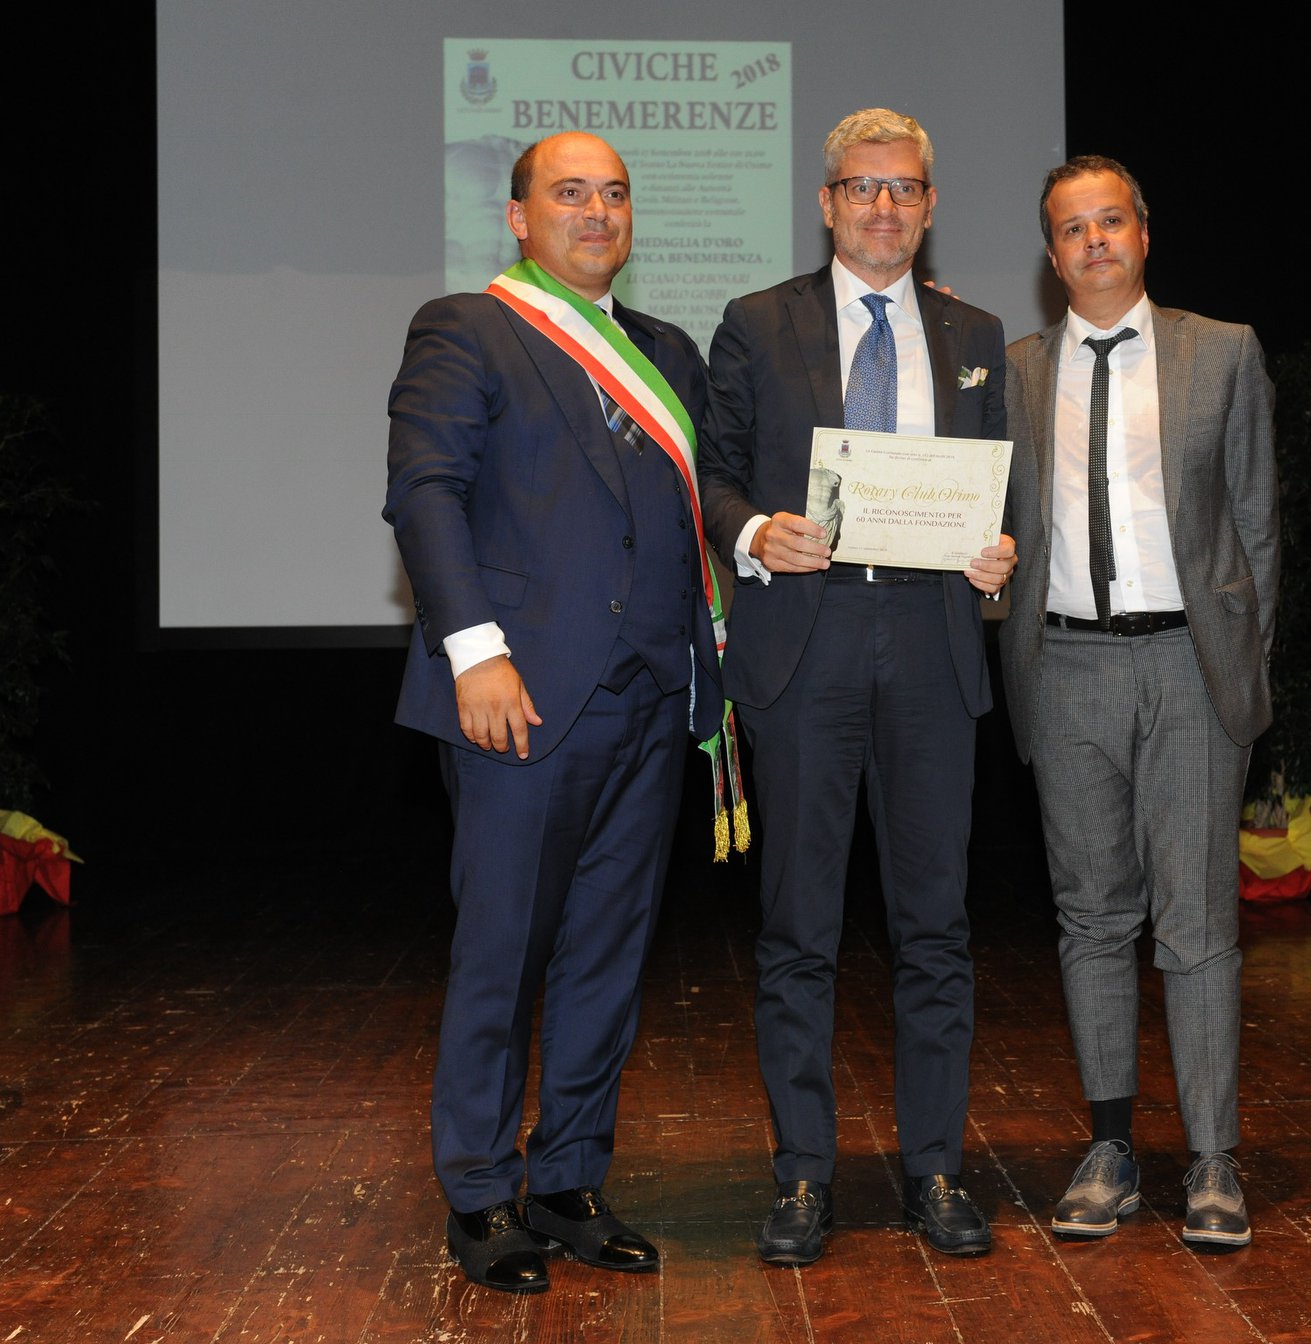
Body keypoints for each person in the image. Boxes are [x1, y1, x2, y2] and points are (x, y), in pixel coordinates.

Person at [385, 131, 724, 1294]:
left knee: (607, 956)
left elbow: (701, 510)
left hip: (652, 699)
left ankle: (569, 1180)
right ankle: (481, 1193)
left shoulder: (666, 352)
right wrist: (474, 651)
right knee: (503, 953)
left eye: (613, 193)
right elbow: (424, 492)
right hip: (519, 702)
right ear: (520, 218)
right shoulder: (466, 327)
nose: (596, 211)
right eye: (569, 192)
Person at [699, 108, 1016, 1265]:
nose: (884, 206)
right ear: (827, 202)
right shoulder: (756, 322)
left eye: (905, 188)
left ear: (930, 207)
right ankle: (801, 1176)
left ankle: (934, 1170)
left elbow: (1003, 495)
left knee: (936, 929)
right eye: (862, 187)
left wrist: (1002, 552)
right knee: (799, 930)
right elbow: (714, 474)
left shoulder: (975, 333)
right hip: (806, 644)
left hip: (932, 644)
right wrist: (754, 534)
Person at [998, 155, 1278, 1250]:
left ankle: (1212, 1160)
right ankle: (1110, 1149)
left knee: (1198, 924)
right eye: (1072, 228)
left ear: (1143, 234)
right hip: (1065, 667)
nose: (1094, 241)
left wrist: (1242, 667)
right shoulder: (1016, 372)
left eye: (1110, 220)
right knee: (1091, 918)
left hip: (1189, 668)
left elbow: (1257, 527)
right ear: (1051, 253)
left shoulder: (1223, 352)